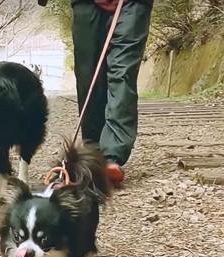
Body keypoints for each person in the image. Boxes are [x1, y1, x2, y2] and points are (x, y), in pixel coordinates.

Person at [38, 0, 153, 185]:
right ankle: (93, 152)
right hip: (86, 4)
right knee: (88, 74)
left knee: (122, 73)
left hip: (133, 4)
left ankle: (111, 156)